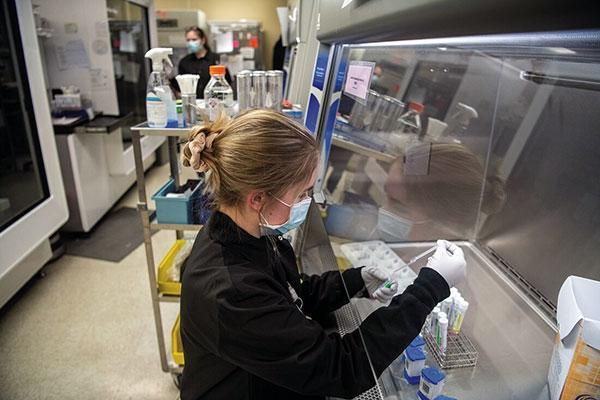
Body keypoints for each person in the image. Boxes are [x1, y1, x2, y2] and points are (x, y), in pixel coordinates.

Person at [179, 109, 466, 400]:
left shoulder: (251, 233)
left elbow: (292, 294)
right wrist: (429, 289)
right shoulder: (232, 290)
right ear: (258, 198)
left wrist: (355, 281)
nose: (308, 201)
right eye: (302, 193)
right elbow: (342, 369)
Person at [175, 26, 232, 97]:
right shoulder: (184, 62)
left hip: (213, 101)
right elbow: (180, 87)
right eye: (188, 40)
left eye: (194, 39)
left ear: (203, 40)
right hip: (193, 102)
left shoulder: (216, 59)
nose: (191, 43)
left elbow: (227, 82)